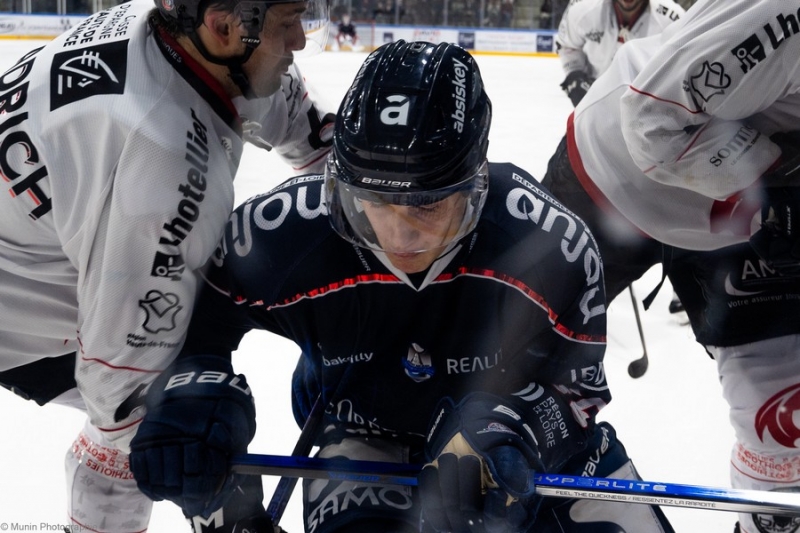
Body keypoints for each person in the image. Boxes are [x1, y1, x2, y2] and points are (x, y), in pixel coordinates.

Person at [128, 39, 676, 533]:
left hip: (509, 436)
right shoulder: (278, 232)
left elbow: (578, 392)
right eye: (371, 202)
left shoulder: (554, 245)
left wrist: (518, 428)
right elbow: (193, 318)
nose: (398, 233)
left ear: (477, 181)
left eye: (428, 204)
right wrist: (192, 394)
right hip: (364, 433)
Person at [0, 0, 333, 530]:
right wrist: (179, 446)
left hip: (53, 231)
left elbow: (302, 125)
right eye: (289, 23)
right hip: (18, 310)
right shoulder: (165, 162)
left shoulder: (176, 33)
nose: (300, 41)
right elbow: (119, 383)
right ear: (223, 26)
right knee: (148, 437)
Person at [555, 0, 683, 107]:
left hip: (649, 112)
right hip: (594, 106)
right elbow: (567, 46)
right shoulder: (582, 10)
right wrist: (575, 74)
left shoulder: (674, 18)